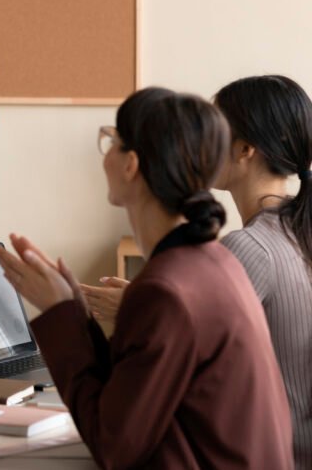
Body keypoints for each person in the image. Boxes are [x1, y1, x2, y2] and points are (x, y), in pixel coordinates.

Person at [0, 88, 293, 468]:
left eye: (111, 142)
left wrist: (59, 313)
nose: (105, 155)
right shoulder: (211, 260)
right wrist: (75, 311)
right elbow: (130, 393)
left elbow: (113, 445)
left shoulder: (165, 290)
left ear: (130, 164)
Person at [82, 75, 312, 466]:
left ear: (244, 149)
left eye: (215, 131)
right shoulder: (295, 228)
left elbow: (197, 334)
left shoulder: (250, 248)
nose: (200, 144)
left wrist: (137, 307)